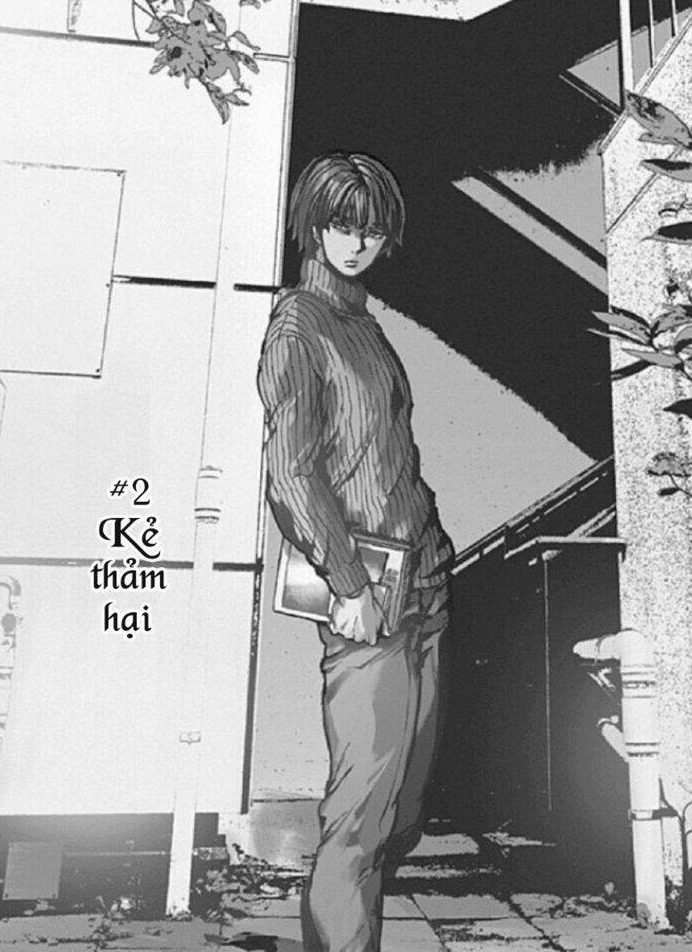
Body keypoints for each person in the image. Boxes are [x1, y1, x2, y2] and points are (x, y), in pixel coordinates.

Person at [256, 151, 454, 952]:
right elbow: (290, 470)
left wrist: (435, 551)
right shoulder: (299, 324)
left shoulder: (363, 324)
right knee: (360, 819)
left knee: (404, 811)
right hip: (364, 591)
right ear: (313, 224)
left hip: (425, 581)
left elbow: (389, 455)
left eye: (371, 228)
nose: (357, 241)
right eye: (342, 223)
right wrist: (346, 583)